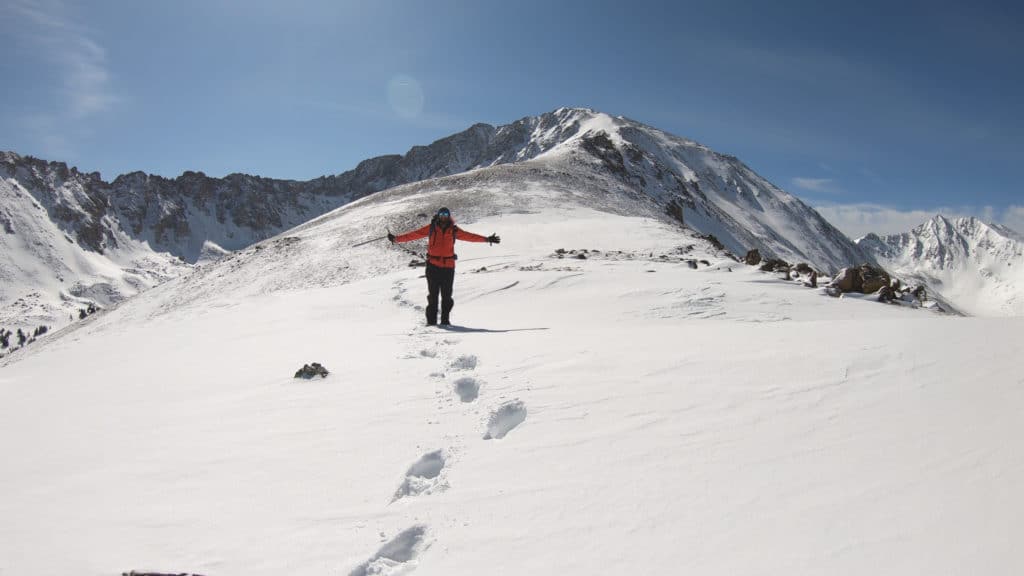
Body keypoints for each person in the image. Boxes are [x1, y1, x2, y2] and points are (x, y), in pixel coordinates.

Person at [388, 207, 501, 326]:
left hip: (448, 268)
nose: (443, 216)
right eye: (441, 214)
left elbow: (469, 236)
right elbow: (414, 235)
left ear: (449, 216)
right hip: (433, 266)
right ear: (438, 215)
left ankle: (445, 321)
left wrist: (487, 239)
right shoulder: (431, 228)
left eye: (445, 214)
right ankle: (431, 323)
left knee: (447, 296)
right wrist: (396, 239)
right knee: (433, 296)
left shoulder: (454, 230)